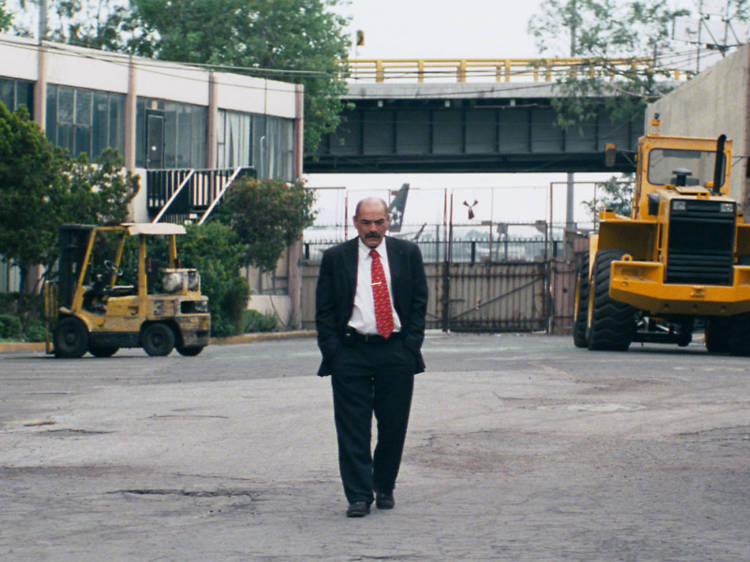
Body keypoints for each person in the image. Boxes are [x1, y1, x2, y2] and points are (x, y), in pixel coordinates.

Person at [315, 197, 428, 518]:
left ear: (388, 222)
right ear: (355, 223)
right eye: (366, 223)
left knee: (393, 425)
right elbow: (323, 310)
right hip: (351, 352)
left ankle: (384, 484)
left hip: (395, 351)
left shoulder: (407, 254)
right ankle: (359, 494)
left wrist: (411, 345)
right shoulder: (337, 258)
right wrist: (333, 352)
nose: (373, 229)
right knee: (353, 427)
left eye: (379, 222)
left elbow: (419, 301)